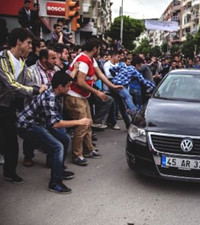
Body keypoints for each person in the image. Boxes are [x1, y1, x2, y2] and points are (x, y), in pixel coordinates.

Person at [17, 71, 91, 194]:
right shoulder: (50, 97)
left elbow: (53, 121)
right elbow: (55, 123)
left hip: (39, 122)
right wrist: (79, 122)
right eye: (67, 86)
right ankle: (55, 183)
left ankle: (58, 169)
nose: (69, 88)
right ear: (60, 87)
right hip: (27, 126)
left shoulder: (55, 91)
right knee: (57, 147)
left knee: (65, 139)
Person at [63, 38, 122, 166]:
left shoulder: (90, 59)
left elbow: (99, 74)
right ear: (95, 49)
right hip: (74, 97)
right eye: (99, 48)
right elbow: (80, 81)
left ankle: (89, 150)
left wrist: (112, 86)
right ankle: (77, 154)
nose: (100, 51)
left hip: (82, 97)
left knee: (88, 124)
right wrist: (97, 92)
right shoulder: (83, 61)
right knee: (82, 125)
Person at [0, 28, 46, 183]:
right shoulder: (2, 59)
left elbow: (29, 82)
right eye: (28, 43)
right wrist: (35, 90)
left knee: (11, 143)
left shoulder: (22, 63)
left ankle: (9, 172)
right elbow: (11, 85)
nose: (31, 46)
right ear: (18, 42)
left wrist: (43, 90)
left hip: (8, 108)